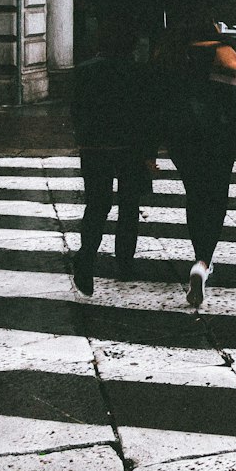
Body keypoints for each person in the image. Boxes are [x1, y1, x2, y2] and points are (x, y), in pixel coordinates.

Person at [156, 9, 236, 309]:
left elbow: (160, 100)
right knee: (217, 199)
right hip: (219, 139)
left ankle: (199, 253)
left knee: (195, 196)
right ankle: (203, 261)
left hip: (182, 139)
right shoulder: (223, 53)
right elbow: (234, 104)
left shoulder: (171, 53)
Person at [71, 15, 155, 296]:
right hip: (129, 148)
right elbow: (146, 117)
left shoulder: (83, 71)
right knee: (128, 205)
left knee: (97, 205)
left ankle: (86, 256)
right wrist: (149, 152)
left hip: (94, 148)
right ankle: (125, 262)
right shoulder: (139, 73)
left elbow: (75, 110)